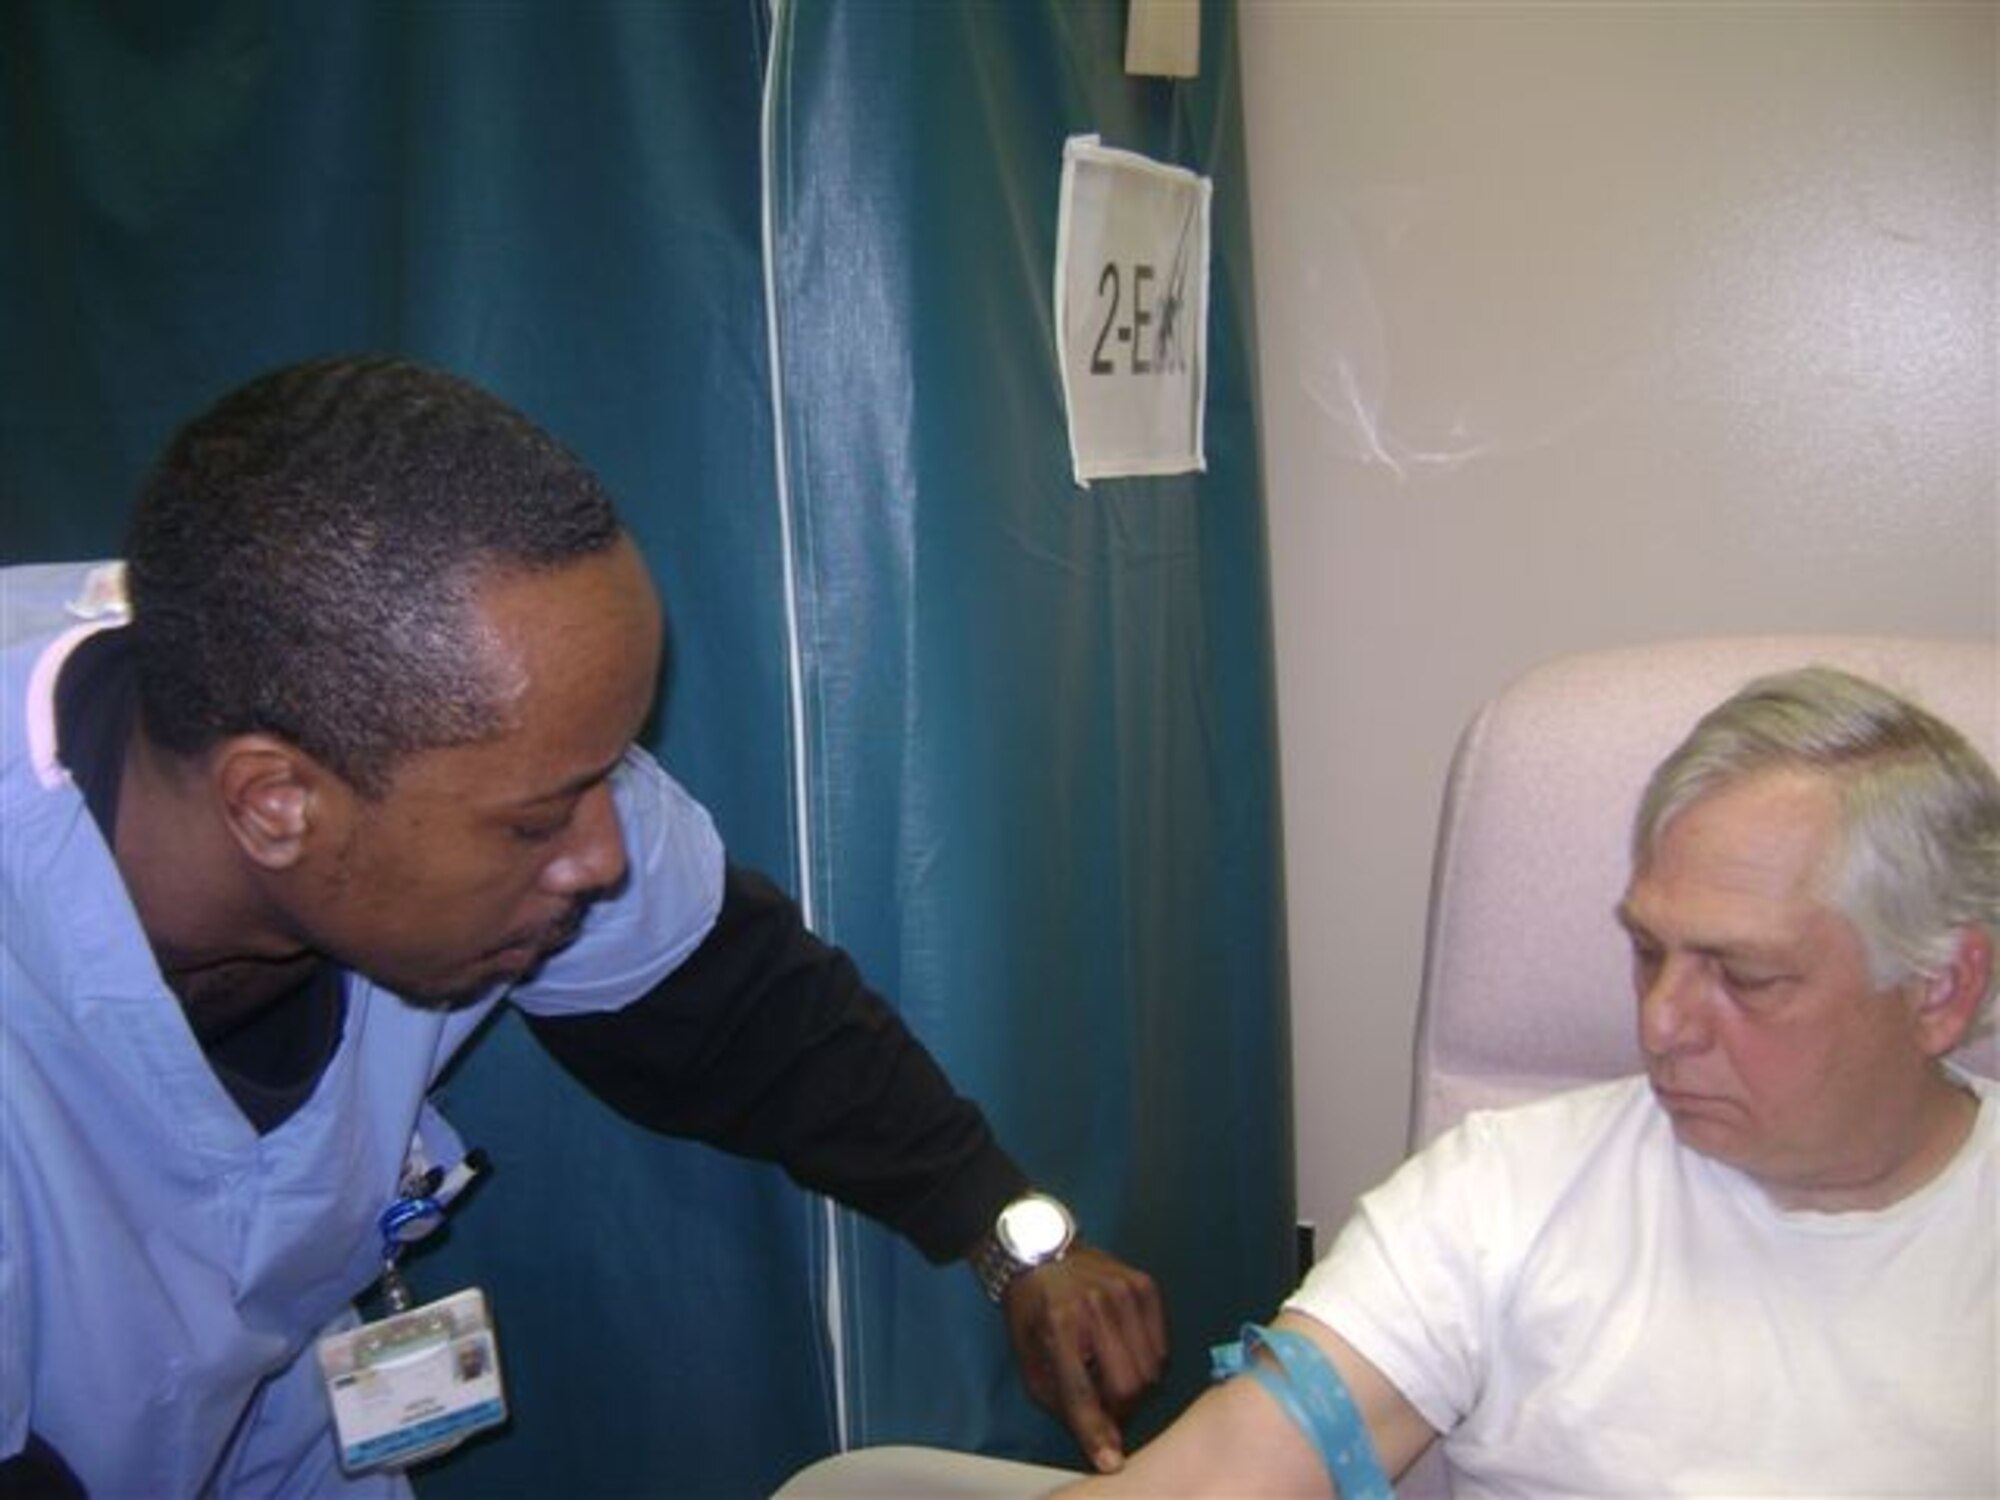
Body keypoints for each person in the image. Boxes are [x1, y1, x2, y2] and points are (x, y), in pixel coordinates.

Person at [0, 355, 1167, 1497]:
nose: (603, 857)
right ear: (273, 804)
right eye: (540, 818)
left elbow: (753, 1016)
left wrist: (1017, 1244)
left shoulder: (433, 746)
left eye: (606, 773)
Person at [1060, 665, 1998, 1497]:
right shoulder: (1501, 1196)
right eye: (1647, 951)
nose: (1661, 1023)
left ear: (1941, 990)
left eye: (1744, 977)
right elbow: (1218, 1476)